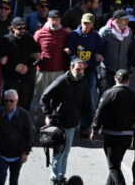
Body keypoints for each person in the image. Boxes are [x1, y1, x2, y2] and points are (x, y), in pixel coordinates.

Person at [40, 57, 94, 185]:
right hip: (59, 123)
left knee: (66, 152)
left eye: (82, 69)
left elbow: (87, 104)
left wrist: (91, 124)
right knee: (59, 152)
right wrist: (48, 115)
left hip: (73, 123)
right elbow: (44, 97)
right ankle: (54, 178)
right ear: (71, 68)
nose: (80, 72)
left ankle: (61, 176)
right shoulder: (61, 81)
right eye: (77, 69)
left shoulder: (83, 83)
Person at [93, 69, 135, 185]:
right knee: (115, 165)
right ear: (128, 80)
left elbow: (100, 112)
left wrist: (95, 129)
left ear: (115, 78)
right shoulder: (134, 95)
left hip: (112, 136)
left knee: (113, 167)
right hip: (127, 136)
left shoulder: (109, 93)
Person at [0, 89, 33, 185]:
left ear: (16, 101)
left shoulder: (24, 115)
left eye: (11, 101)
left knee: (14, 181)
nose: (8, 103)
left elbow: (29, 135)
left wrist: (26, 153)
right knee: (0, 181)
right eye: (6, 101)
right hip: (2, 154)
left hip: (17, 156)